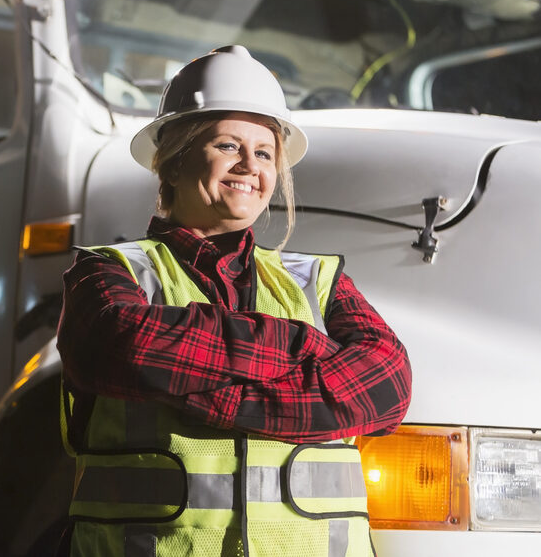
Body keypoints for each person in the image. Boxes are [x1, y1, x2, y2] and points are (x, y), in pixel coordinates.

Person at [56, 45, 413, 557]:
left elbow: (386, 387)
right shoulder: (110, 271)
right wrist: (303, 345)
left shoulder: (318, 279)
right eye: (227, 145)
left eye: (264, 152)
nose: (250, 165)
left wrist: (209, 396)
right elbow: (125, 349)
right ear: (173, 165)